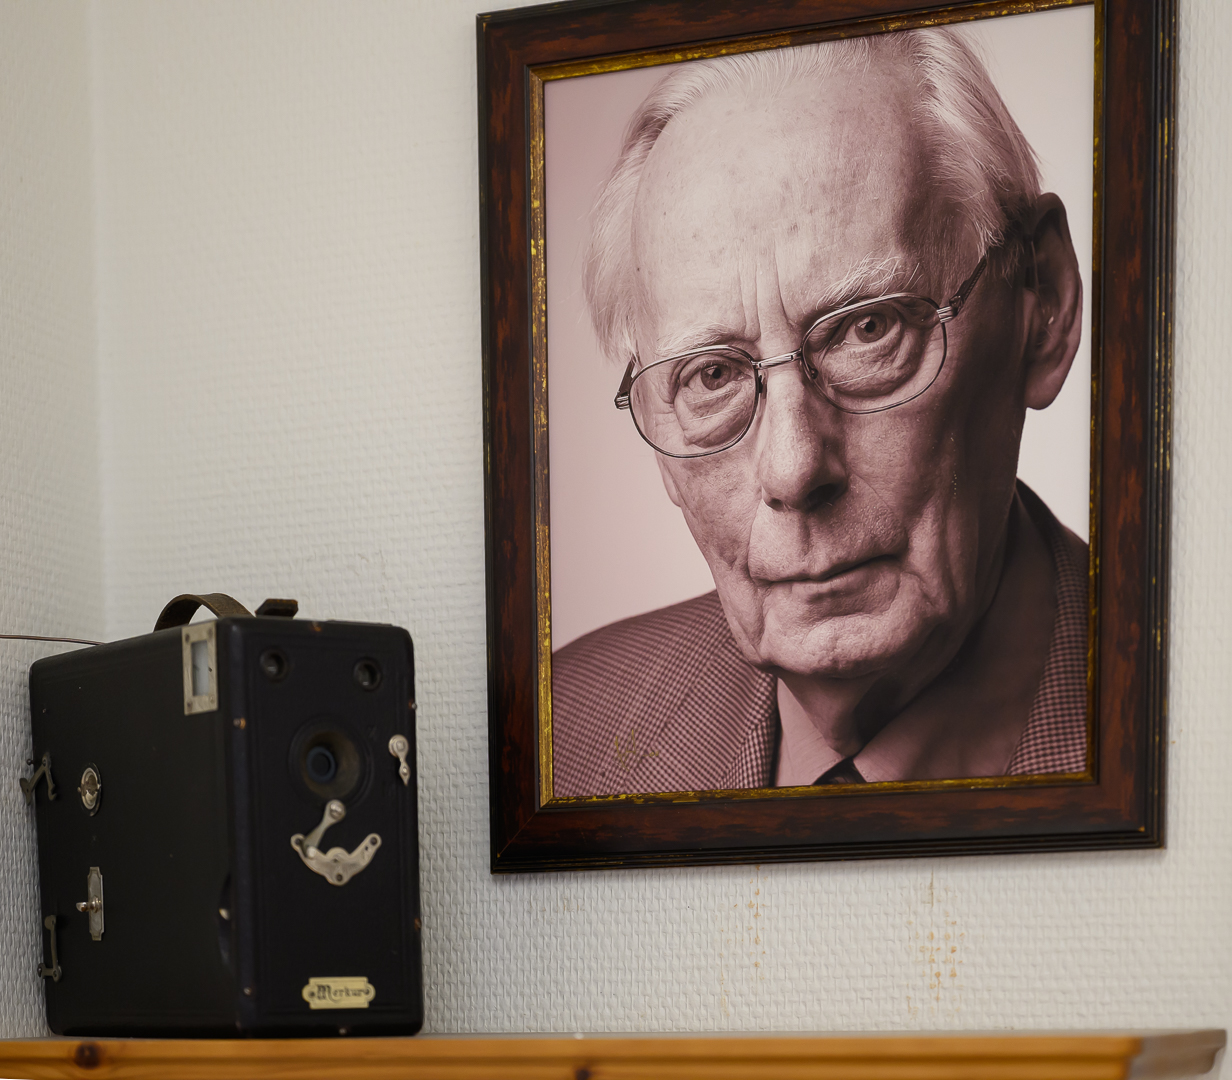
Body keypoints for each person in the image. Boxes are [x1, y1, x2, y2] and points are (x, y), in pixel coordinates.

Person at [551, 27, 1087, 797]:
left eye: (868, 329)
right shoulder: (564, 732)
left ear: (1043, 303)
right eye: (711, 376)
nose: (794, 467)